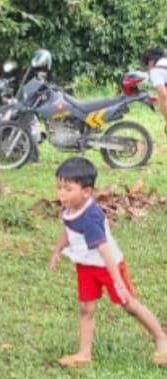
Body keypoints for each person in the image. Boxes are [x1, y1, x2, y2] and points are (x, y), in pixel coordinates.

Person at [48, 157, 167, 367]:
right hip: (86, 267)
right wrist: (57, 250)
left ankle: (161, 338)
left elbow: (105, 251)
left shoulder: (90, 218)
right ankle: (84, 353)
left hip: (108, 267)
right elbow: (68, 229)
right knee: (86, 308)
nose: (61, 194)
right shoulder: (69, 208)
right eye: (59, 188)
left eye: (68, 189)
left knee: (129, 304)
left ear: (86, 192)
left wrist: (118, 282)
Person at [141, 47, 167, 138]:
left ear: (150, 62)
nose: (148, 69)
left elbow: (164, 96)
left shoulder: (156, 70)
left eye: (146, 66)